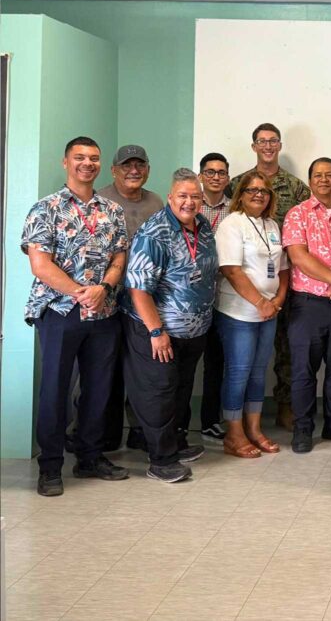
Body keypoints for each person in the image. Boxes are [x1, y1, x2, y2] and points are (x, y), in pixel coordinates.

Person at [22, 136, 130, 496]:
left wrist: (104, 288)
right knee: (55, 389)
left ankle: (89, 457)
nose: (88, 163)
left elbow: (119, 256)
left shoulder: (112, 210)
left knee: (99, 390)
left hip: (104, 311)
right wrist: (81, 292)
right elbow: (40, 265)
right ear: (65, 162)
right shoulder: (46, 208)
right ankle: (50, 466)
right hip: (59, 311)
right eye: (80, 157)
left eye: (94, 158)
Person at [122, 168, 217, 482]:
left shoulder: (203, 226)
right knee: (159, 392)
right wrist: (156, 331)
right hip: (158, 330)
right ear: (170, 197)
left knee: (181, 389)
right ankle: (161, 460)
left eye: (195, 197)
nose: (189, 202)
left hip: (194, 331)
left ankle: (174, 443)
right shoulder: (155, 232)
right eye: (183, 196)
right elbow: (138, 289)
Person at [229, 123, 311, 431]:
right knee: (243, 356)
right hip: (244, 283)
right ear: (253, 146)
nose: (267, 146)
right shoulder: (238, 184)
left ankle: (285, 405)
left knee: (287, 347)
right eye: (261, 141)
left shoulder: (297, 187)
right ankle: (237, 417)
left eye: (273, 141)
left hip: (285, 277)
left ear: (279, 146)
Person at [283, 158, 331, 453]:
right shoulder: (297, 214)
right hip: (307, 305)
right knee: (303, 371)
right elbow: (298, 256)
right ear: (310, 181)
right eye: (318, 175)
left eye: (330, 175)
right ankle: (303, 428)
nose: (324, 179)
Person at [214, 171, 290, 458]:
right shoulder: (231, 224)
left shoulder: (272, 225)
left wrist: (277, 299)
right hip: (239, 312)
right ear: (241, 195)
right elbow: (231, 270)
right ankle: (234, 434)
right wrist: (260, 302)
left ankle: (255, 429)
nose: (259, 194)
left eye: (264, 191)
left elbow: (283, 268)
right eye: (252, 190)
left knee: (259, 373)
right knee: (238, 373)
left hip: (269, 311)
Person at [96, 144, 164, 452]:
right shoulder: (100, 200)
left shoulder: (156, 202)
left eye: (140, 165)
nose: (134, 170)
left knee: (141, 370)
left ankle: (139, 429)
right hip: (108, 298)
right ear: (114, 170)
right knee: (105, 368)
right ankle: (104, 435)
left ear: (148, 169)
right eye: (127, 165)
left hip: (144, 301)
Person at [198, 152, 231, 441]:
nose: (216, 177)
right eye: (210, 172)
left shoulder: (235, 210)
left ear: (228, 178)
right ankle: (177, 423)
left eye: (221, 172)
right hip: (192, 297)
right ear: (200, 176)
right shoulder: (189, 205)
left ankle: (210, 419)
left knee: (216, 363)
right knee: (182, 365)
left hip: (223, 297)